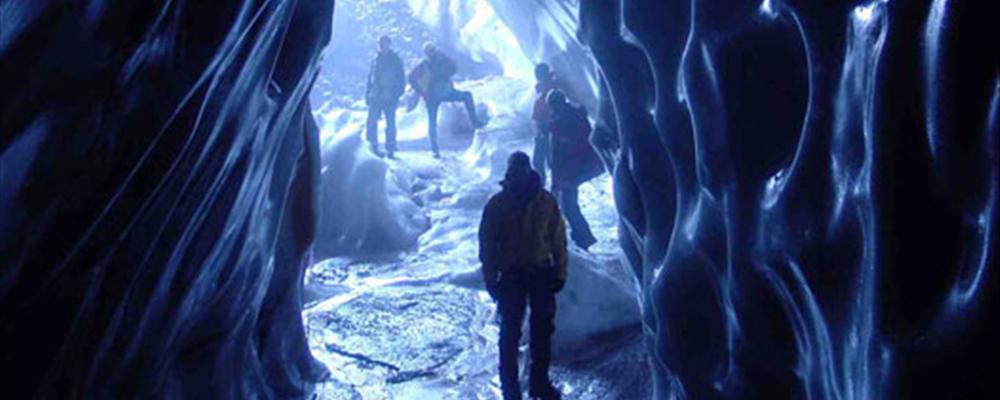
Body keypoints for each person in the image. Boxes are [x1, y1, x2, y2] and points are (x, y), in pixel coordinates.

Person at [479, 152, 566, 400]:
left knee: (542, 332)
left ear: (528, 170)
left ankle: (539, 383)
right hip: (511, 275)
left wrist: (560, 271)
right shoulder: (497, 204)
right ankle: (511, 391)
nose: (516, 175)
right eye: (513, 171)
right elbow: (487, 244)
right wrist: (490, 277)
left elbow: (558, 239)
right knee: (510, 333)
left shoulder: (546, 202)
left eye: (520, 170)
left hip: (539, 271)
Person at [408, 42, 485, 158]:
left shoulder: (425, 64)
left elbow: (411, 78)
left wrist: (422, 92)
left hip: (433, 97)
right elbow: (453, 68)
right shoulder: (437, 61)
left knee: (432, 122)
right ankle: (474, 122)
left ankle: (435, 149)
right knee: (467, 96)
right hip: (445, 93)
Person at [546, 90, 600, 250]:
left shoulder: (558, 123)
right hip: (587, 164)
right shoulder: (578, 115)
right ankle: (582, 237)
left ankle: (583, 238)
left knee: (568, 204)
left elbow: (556, 156)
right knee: (568, 203)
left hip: (573, 169)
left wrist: (556, 182)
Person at [365, 36, 406, 158]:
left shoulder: (395, 59)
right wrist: (367, 94)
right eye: (381, 43)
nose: (383, 45)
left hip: (389, 97)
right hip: (375, 97)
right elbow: (370, 78)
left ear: (389, 44)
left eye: (385, 43)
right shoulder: (375, 59)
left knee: (390, 123)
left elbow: (401, 78)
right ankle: (372, 146)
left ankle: (391, 147)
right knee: (371, 122)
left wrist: (397, 93)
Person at [531, 63, 561, 187]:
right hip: (542, 129)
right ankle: (544, 186)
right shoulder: (542, 87)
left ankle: (553, 188)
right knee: (539, 161)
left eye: (539, 74)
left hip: (548, 129)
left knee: (548, 161)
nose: (537, 77)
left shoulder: (551, 87)